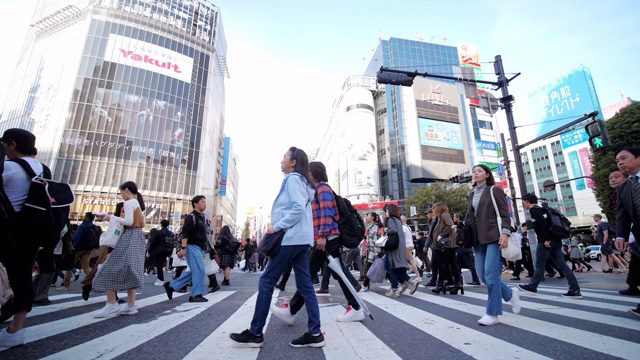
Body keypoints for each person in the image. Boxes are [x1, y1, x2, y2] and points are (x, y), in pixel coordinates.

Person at [230, 147, 324, 348]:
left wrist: (277, 226)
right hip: (302, 239)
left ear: (293, 162)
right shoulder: (305, 183)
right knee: (306, 285)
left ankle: (256, 333)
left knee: (267, 281)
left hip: (290, 238)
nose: (281, 161)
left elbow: (298, 207)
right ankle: (315, 332)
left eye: (284, 158)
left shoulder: (292, 179)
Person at [271, 161, 365, 323]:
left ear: (313, 173)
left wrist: (322, 236)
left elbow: (327, 214)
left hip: (327, 239)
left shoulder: (322, 189)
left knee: (308, 274)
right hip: (326, 239)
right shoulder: (318, 190)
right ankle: (354, 306)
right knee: (332, 273)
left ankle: (292, 310)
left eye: (307, 171)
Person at [0, 129, 54, 347]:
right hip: (32, 231)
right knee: (22, 277)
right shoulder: (44, 169)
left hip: (7, 229)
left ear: (11, 144)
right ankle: (15, 331)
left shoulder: (10, 167)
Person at [466, 164, 520, 326]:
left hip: (494, 237)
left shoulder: (494, 190)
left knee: (491, 275)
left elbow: (505, 214)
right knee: (483, 276)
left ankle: (493, 313)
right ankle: (510, 294)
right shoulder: (472, 194)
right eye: (474, 171)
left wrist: (505, 233)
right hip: (478, 239)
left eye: (479, 171)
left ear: (487, 175)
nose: (476, 173)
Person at [92, 182, 146, 317]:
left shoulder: (128, 203)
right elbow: (140, 222)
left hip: (129, 237)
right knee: (130, 271)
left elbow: (128, 221)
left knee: (107, 269)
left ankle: (111, 303)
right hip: (138, 238)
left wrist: (110, 217)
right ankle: (131, 305)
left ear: (126, 190)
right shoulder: (138, 203)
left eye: (121, 192)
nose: (121, 195)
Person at [518, 193, 582, 299]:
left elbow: (544, 225)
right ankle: (575, 289)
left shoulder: (534, 210)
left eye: (523, 202)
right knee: (563, 265)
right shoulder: (542, 209)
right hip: (556, 240)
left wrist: (547, 239)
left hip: (546, 241)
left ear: (527, 201)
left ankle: (532, 286)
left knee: (539, 265)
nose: (523, 204)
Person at [163, 195, 218, 303]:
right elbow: (185, 233)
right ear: (195, 204)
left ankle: (171, 286)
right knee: (200, 270)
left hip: (199, 248)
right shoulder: (191, 217)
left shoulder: (201, 217)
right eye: (202, 202)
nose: (204, 204)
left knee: (195, 271)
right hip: (191, 246)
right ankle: (196, 294)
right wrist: (184, 248)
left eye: (205, 202)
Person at [613, 147, 640, 319]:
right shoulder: (625, 188)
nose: (621, 163)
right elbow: (622, 213)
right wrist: (621, 235)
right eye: (618, 161)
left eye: (624, 158)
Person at [81, 202, 127, 302]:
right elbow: (107, 217)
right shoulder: (115, 218)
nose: (125, 212)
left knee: (113, 272)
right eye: (123, 209)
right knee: (98, 269)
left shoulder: (127, 221)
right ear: (119, 210)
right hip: (107, 246)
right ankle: (87, 285)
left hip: (117, 248)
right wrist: (99, 214)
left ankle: (114, 296)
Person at [609, 167, 639, 296]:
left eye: (617, 176)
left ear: (627, 176)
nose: (613, 180)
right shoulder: (620, 192)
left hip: (634, 231)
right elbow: (621, 215)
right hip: (632, 232)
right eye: (610, 178)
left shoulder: (633, 187)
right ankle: (632, 284)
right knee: (636, 259)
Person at [383, 204, 419, 297]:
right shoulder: (398, 220)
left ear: (390, 211)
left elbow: (393, 230)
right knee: (395, 267)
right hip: (400, 247)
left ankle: (395, 289)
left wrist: (387, 230)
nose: (386, 212)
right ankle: (409, 281)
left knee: (390, 266)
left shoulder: (391, 220)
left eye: (386, 210)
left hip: (393, 247)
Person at [430, 203, 462, 294]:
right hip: (446, 245)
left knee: (442, 264)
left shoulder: (444, 215)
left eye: (434, 209)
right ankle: (455, 283)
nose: (433, 211)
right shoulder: (441, 217)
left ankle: (441, 284)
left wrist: (441, 235)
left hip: (446, 245)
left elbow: (450, 226)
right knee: (450, 264)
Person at [454, 213, 481, 286]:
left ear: (458, 218)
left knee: (469, 265)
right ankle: (458, 279)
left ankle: (475, 280)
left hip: (463, 248)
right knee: (459, 265)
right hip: (464, 249)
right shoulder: (463, 225)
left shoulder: (460, 226)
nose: (453, 218)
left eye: (454, 216)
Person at [147, 219, 174, 286]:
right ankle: (160, 278)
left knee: (158, 265)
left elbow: (153, 243)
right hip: (167, 250)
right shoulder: (171, 233)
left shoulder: (159, 232)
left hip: (159, 250)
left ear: (161, 225)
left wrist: (149, 251)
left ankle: (160, 279)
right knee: (161, 264)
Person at [362, 212, 383, 292]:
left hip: (374, 252)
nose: (366, 217)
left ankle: (365, 285)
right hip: (371, 251)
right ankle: (365, 285)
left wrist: (376, 252)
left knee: (369, 269)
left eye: (368, 216)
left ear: (373, 218)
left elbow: (376, 241)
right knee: (375, 268)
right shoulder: (370, 227)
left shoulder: (374, 227)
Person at [401, 215, 422, 280]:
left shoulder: (403, 227)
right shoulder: (408, 227)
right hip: (410, 245)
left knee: (411, 261)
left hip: (406, 246)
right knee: (410, 260)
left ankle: (418, 276)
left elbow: (403, 237)